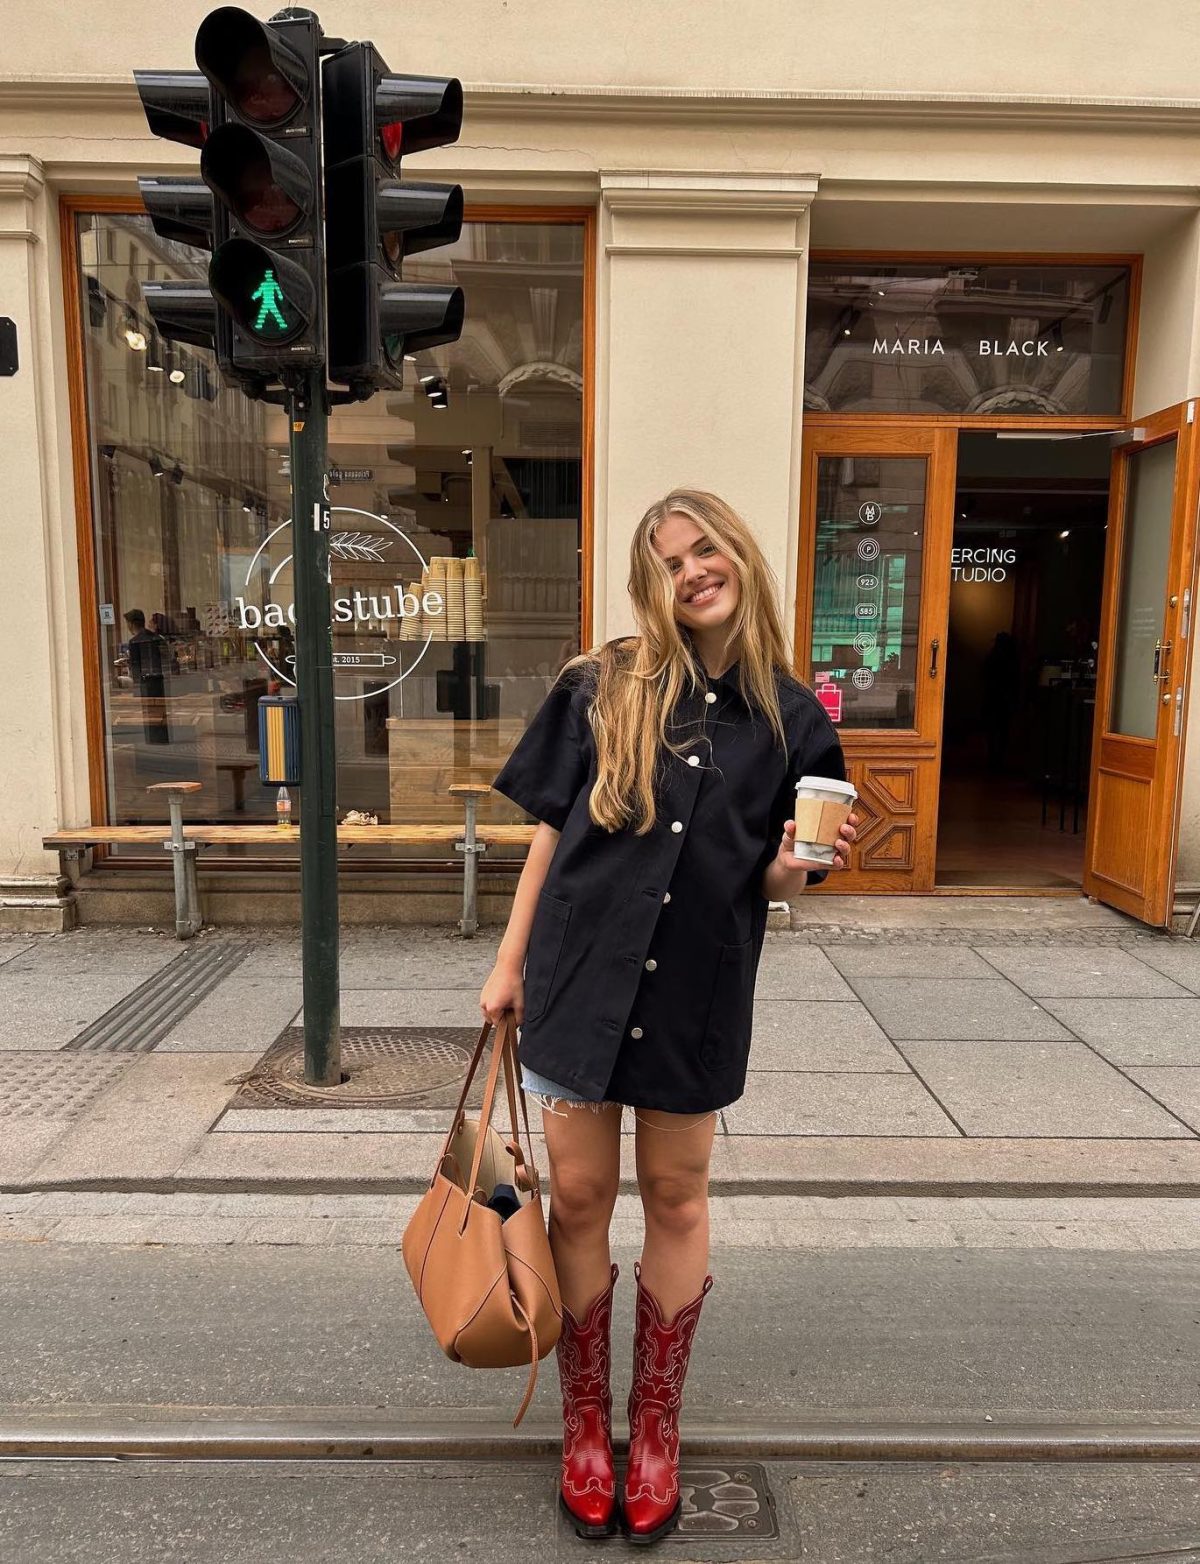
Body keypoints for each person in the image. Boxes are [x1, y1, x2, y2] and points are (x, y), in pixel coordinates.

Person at [480, 489, 856, 1545]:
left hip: (697, 991)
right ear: (652, 586)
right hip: (579, 976)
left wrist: (790, 871)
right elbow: (552, 836)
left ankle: (657, 1433)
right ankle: (585, 1428)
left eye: (705, 547)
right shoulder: (601, 686)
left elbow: (790, 872)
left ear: (739, 550)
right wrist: (507, 963)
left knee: (678, 1198)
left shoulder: (797, 720)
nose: (693, 570)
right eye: (668, 560)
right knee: (584, 1197)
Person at [123, 608, 170, 745]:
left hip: (146, 681)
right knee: (160, 709)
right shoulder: (156, 638)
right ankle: (162, 736)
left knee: (149, 712)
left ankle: (153, 739)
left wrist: (135, 685)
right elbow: (166, 657)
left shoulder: (134, 642)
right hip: (159, 678)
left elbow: (135, 666)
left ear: (131, 624)